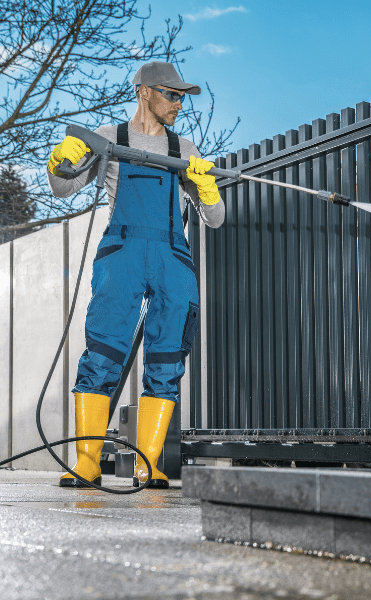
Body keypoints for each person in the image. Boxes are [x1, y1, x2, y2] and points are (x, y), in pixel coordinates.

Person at [46, 61, 225, 489]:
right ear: (145, 92)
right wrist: (59, 160)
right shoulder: (109, 139)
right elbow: (63, 187)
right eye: (172, 94)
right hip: (122, 252)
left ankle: (149, 465)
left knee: (166, 361)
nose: (180, 104)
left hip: (170, 254)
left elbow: (215, 220)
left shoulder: (185, 148)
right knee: (103, 353)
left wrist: (206, 188)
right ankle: (88, 462)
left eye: (183, 97)